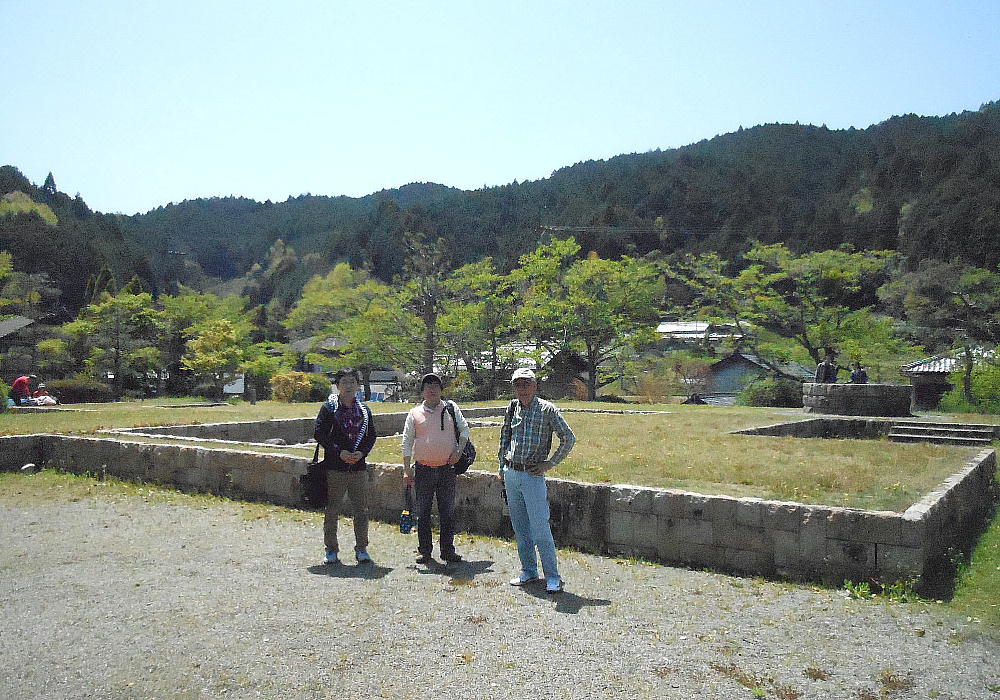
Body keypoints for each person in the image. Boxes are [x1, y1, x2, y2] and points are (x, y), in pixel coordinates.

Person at [498, 368, 576, 594]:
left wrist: (549, 463)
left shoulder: (547, 409)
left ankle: (553, 576)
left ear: (534, 385)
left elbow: (568, 438)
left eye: (526, 384)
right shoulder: (512, 407)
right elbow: (505, 437)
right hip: (512, 473)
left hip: (532, 476)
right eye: (517, 384)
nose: (521, 389)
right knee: (520, 527)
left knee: (540, 528)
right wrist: (502, 466)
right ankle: (529, 571)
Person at [401, 373, 470, 564]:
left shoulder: (451, 408)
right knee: (423, 512)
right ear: (422, 391)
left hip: (447, 469)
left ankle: (447, 550)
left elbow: (465, 430)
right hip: (423, 469)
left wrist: (458, 452)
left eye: (436, 386)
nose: (432, 390)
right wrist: (406, 469)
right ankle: (424, 551)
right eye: (428, 386)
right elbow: (407, 441)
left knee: (447, 512)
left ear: (441, 390)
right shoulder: (414, 413)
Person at [314, 368, 377, 565]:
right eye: (344, 382)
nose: (348, 386)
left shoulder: (364, 410)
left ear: (358, 385)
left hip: (358, 468)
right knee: (332, 510)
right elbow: (319, 433)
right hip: (335, 467)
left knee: (361, 510)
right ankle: (331, 550)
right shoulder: (329, 408)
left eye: (352, 382)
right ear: (337, 385)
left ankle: (362, 548)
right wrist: (338, 451)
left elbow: (371, 436)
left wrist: (361, 453)